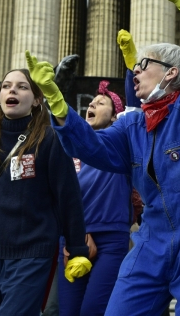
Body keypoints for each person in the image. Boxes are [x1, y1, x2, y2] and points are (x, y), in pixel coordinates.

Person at [27, 0, 180, 315]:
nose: (135, 72)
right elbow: (89, 145)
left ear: (170, 73)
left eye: (143, 65)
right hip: (150, 243)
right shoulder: (133, 125)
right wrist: (56, 99)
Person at [0, 69, 90, 315]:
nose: (12, 90)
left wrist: (77, 247)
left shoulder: (49, 139)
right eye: (6, 86)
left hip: (31, 254)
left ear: (37, 100)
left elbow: (68, 196)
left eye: (22, 86)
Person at [57, 80, 135, 316]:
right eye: (90, 103)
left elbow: (136, 106)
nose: (91, 105)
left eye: (100, 103)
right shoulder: (69, 146)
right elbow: (60, 195)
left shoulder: (124, 143)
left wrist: (132, 69)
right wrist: (75, 233)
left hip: (111, 237)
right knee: (68, 311)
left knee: (94, 309)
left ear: (115, 117)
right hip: (72, 239)